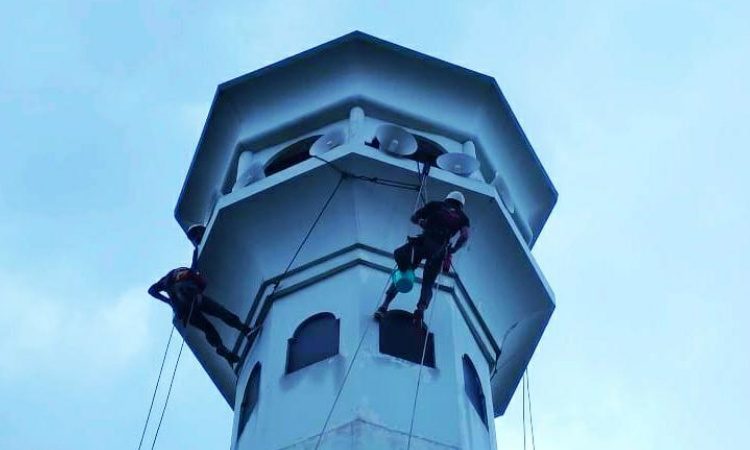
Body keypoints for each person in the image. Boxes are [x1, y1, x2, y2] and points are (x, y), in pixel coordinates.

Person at [148, 224, 258, 366]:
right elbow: (193, 268)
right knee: (221, 312)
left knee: (208, 329)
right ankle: (246, 330)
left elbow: (152, 290)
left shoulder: (168, 280)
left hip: (182, 311)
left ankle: (221, 348)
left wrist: (169, 302)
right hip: (191, 295)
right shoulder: (182, 275)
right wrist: (196, 249)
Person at [374, 191, 471, 325]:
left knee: (404, 269)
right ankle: (420, 310)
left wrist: (421, 222)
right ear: (461, 205)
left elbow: (414, 218)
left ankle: (384, 306)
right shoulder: (463, 217)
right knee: (428, 283)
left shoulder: (436, 205)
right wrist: (453, 249)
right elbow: (465, 236)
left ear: (448, 198)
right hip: (439, 251)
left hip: (422, 244)